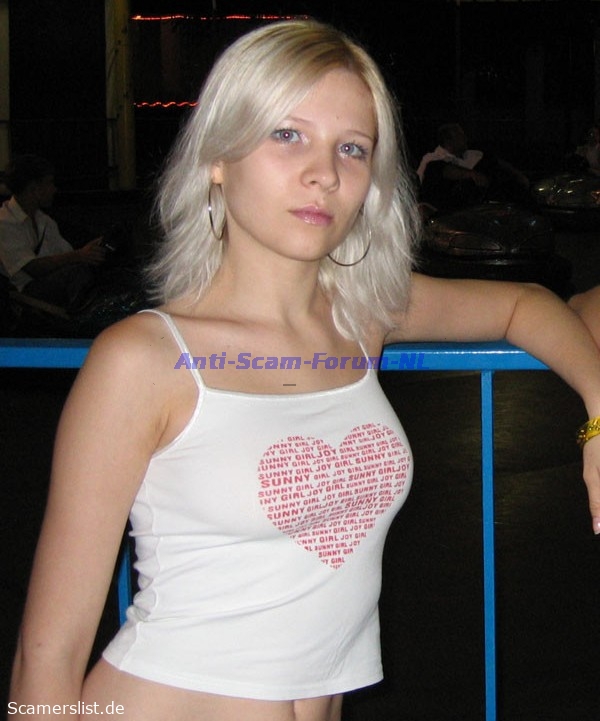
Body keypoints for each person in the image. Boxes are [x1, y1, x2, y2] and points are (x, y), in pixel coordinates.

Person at [9, 20, 600, 721]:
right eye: (287, 134)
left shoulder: (361, 316)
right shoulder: (143, 360)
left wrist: (598, 417)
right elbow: (46, 656)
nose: (325, 173)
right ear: (218, 157)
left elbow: (526, 305)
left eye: (352, 148)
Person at [0, 155, 106, 312]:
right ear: (34, 189)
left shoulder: (44, 221)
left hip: (43, 287)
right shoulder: (4, 223)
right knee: (77, 273)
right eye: (49, 183)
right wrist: (79, 255)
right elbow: (32, 268)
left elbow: (66, 255)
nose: (54, 189)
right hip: (22, 298)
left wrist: (89, 254)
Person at [416, 122, 531, 213]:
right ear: (448, 141)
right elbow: (442, 172)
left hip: (486, 205)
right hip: (450, 210)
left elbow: (499, 163)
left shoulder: (474, 155)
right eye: (460, 136)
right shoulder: (432, 161)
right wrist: (471, 174)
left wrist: (518, 175)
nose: (465, 138)